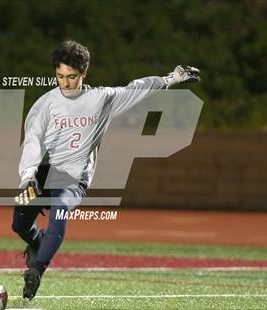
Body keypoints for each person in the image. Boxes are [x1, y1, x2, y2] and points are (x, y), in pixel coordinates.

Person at [12, 40, 200, 300]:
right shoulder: (45, 104)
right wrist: (27, 176)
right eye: (60, 76)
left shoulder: (101, 99)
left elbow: (137, 89)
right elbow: (32, 139)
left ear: (84, 73)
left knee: (60, 210)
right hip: (41, 173)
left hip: (74, 177)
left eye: (72, 77)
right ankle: (36, 243)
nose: (65, 83)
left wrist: (173, 78)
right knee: (18, 225)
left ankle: (37, 270)